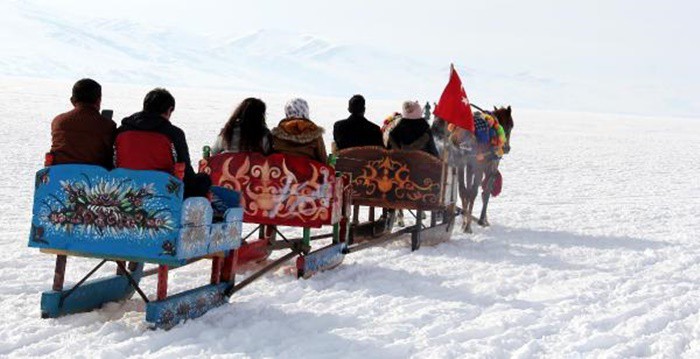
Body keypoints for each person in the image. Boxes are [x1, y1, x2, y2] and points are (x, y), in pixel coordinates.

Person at [115, 88, 210, 198]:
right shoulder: (174, 134)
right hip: (162, 192)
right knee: (203, 180)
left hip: (125, 189)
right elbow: (186, 171)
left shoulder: (122, 131)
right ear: (169, 110)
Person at [49, 78, 115, 168]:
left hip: (59, 177)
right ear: (98, 101)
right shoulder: (108, 125)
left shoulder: (58, 121)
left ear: (72, 100)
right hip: (93, 178)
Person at [270, 98, 327, 163]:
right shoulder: (315, 132)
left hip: (281, 171)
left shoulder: (276, 134)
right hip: (308, 171)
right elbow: (323, 159)